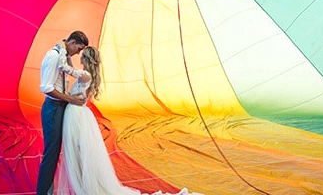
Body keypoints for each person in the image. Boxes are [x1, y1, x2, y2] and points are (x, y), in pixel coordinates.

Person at [57, 46, 202, 195]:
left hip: (77, 115)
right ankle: (82, 183)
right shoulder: (86, 75)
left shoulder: (85, 75)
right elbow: (73, 70)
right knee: (78, 149)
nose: (79, 55)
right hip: (77, 113)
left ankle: (84, 185)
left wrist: (62, 53)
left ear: (85, 59)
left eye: (81, 54)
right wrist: (68, 56)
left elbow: (68, 70)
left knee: (79, 149)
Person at [36, 30, 89, 195]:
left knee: (67, 147)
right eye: (78, 49)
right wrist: (70, 99)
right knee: (52, 152)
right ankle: (43, 192)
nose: (78, 53)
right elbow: (47, 88)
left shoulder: (64, 56)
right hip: (53, 108)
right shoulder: (54, 56)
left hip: (62, 106)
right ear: (73, 43)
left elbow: (67, 77)